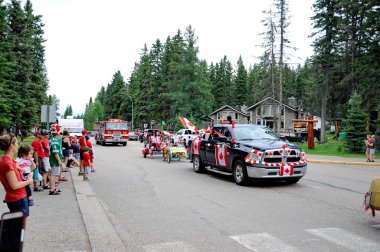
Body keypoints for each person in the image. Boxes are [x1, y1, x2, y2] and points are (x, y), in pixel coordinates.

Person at [0, 134, 33, 216]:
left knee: (19, 225)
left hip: (17, 198)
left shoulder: (9, 160)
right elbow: (14, 185)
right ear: (11, 145)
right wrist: (29, 181)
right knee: (19, 227)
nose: (18, 146)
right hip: (17, 198)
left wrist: (24, 177)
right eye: (17, 143)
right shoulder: (7, 163)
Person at [49, 124, 63, 195]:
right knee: (53, 175)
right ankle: (52, 189)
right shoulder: (54, 140)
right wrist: (59, 160)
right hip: (54, 160)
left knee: (54, 174)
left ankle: (53, 188)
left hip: (54, 160)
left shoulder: (54, 139)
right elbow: (55, 152)